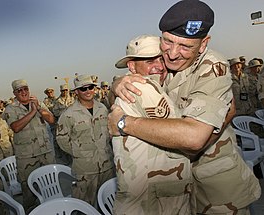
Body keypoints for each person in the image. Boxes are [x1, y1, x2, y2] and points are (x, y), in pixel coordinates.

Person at [108, 1, 261, 214]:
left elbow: (194, 139)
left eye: (185, 46)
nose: (171, 54)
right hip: (180, 192)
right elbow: (136, 85)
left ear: (203, 44)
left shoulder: (211, 67)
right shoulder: (167, 67)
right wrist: (116, 84)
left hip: (218, 192)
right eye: (167, 43)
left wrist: (125, 123)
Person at [112, 34, 192, 214]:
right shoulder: (143, 87)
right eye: (149, 61)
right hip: (152, 201)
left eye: (161, 59)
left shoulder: (140, 85)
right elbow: (185, 137)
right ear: (132, 66)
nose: (159, 66)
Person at [56, 74, 115, 208]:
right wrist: (80, 152)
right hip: (85, 169)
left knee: (108, 203)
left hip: (107, 165)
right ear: (76, 92)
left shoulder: (102, 108)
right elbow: (62, 139)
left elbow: (109, 131)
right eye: (83, 89)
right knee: (83, 205)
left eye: (91, 87)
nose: (88, 91)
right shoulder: (68, 114)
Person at [2, 79, 56, 212]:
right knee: (29, 192)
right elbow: (15, 127)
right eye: (19, 90)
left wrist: (38, 108)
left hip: (45, 153)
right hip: (27, 157)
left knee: (50, 187)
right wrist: (32, 112)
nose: (23, 92)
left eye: (25, 89)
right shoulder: (10, 108)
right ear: (15, 93)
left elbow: (51, 120)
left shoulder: (38, 104)